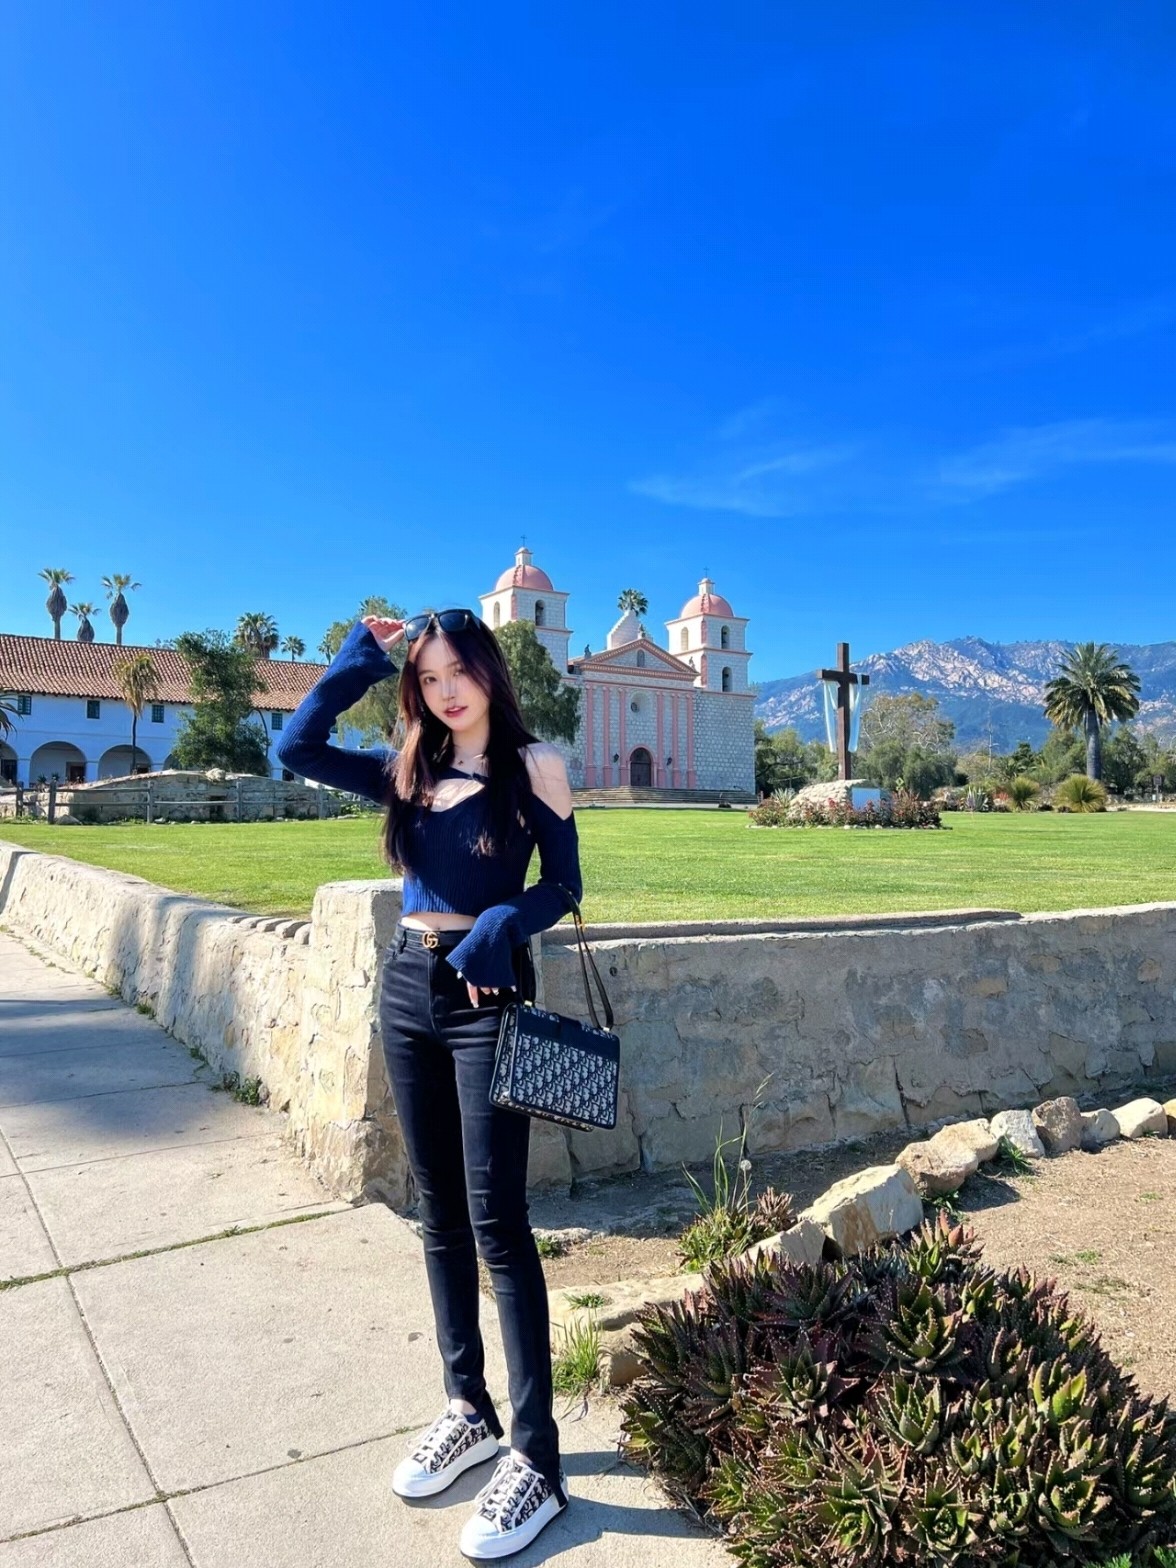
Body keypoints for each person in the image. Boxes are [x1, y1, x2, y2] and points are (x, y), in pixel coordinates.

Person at [276, 607, 580, 1561]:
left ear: (490, 672)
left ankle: (536, 1460)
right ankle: (467, 1409)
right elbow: (294, 746)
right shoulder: (407, 768)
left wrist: (500, 924)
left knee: (499, 1224)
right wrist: (358, 659)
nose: (447, 691)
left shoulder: (534, 768)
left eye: (460, 671)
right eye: (430, 676)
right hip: (408, 988)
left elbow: (562, 885)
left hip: (489, 995)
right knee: (437, 1212)